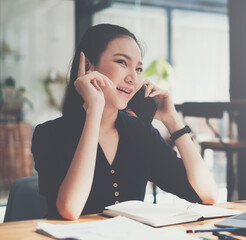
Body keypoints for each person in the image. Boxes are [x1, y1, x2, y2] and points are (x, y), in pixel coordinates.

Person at [31, 24, 218, 220]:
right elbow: (70, 209)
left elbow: (207, 194)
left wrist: (173, 122)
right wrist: (94, 109)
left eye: (138, 69)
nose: (132, 78)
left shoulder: (141, 133)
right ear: (88, 67)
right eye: (122, 62)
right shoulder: (49, 134)